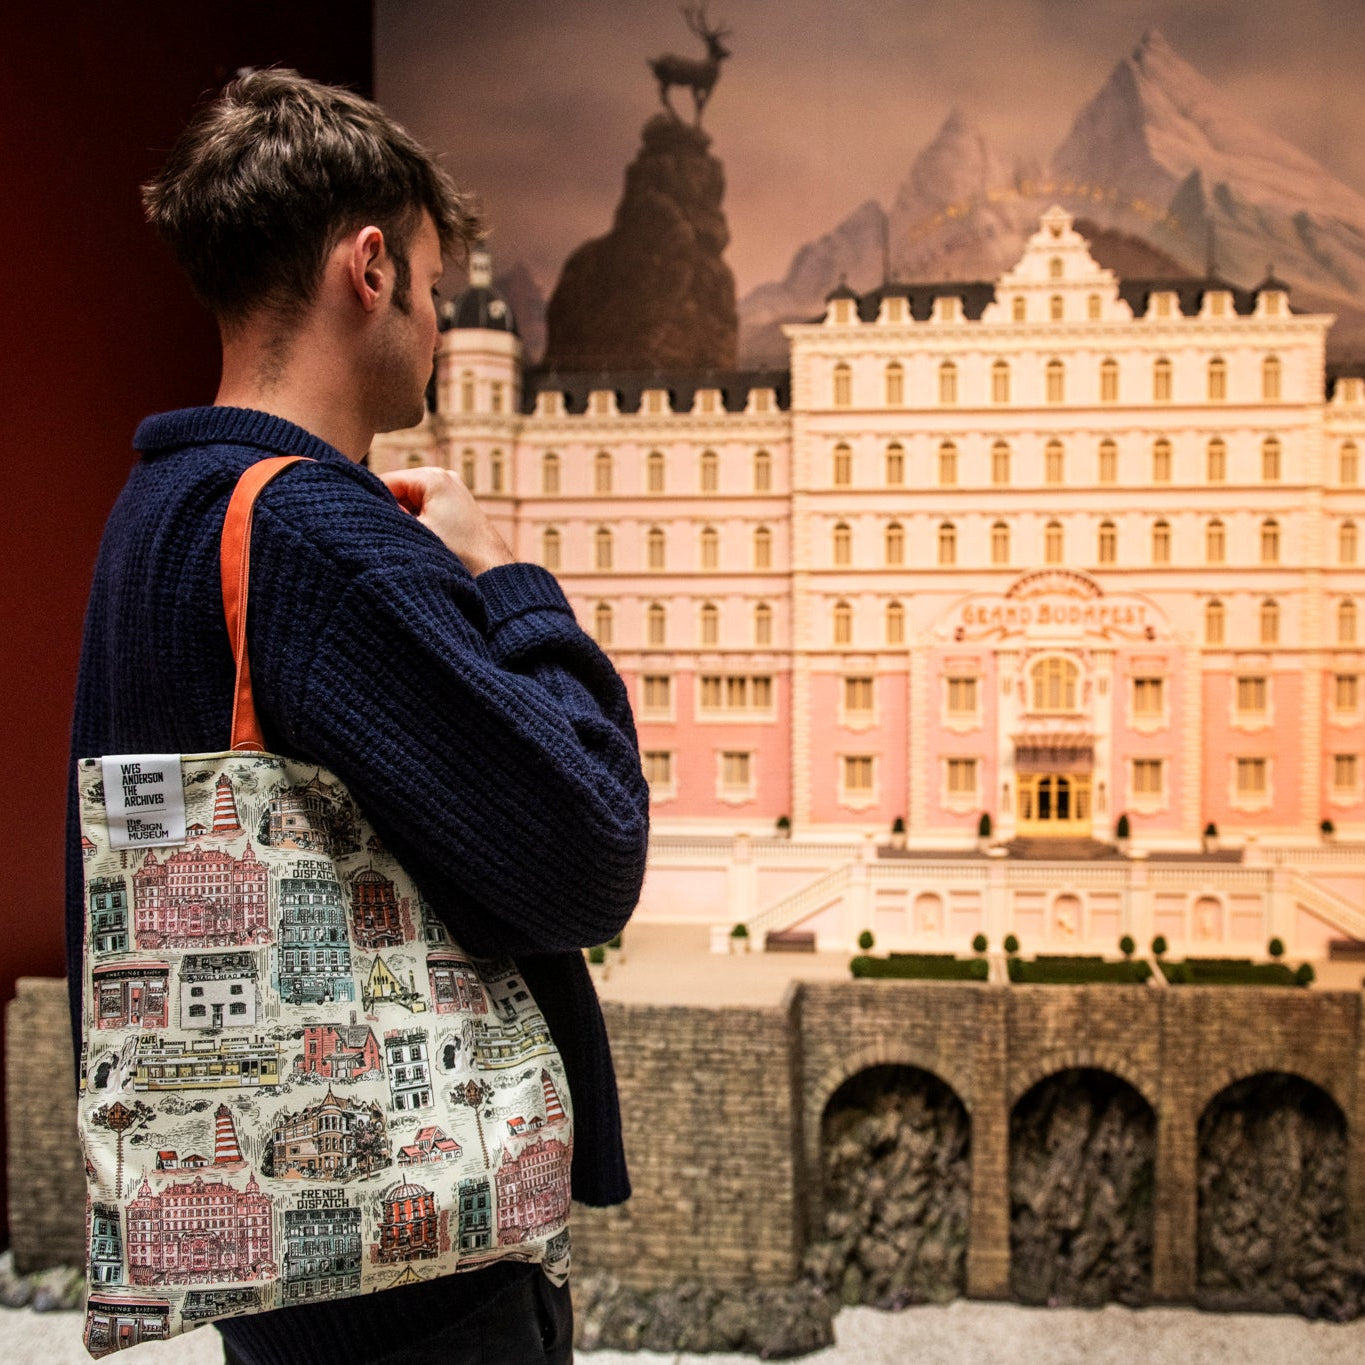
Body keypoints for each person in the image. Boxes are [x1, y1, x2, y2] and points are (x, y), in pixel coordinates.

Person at [65, 69, 649, 1364]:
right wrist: (507, 576)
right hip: (414, 1262)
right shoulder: (320, 541)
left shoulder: (152, 515)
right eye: (439, 291)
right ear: (369, 268)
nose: (441, 329)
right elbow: (590, 850)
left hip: (289, 1256)